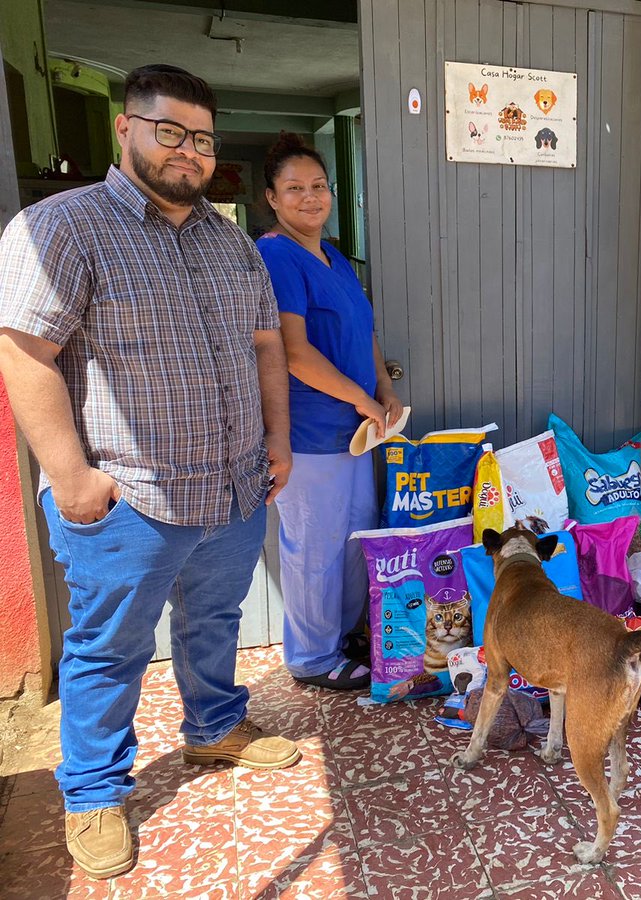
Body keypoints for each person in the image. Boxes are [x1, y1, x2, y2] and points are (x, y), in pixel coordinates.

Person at [0, 64, 300, 880]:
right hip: (127, 497)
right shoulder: (66, 227)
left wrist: (277, 439)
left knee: (216, 621)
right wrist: (70, 478)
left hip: (233, 488)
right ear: (126, 128)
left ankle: (212, 729)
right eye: (170, 131)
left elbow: (266, 345)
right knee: (110, 646)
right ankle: (94, 791)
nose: (189, 152)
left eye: (201, 138)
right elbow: (25, 352)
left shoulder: (230, 239)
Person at [256, 133, 403, 690]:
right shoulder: (275, 255)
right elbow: (293, 352)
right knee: (313, 546)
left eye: (318, 186)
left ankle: (340, 639)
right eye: (294, 189)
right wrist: (363, 398)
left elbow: (362, 330)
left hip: (355, 431)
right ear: (272, 197)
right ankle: (312, 657)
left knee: (353, 540)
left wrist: (383, 387)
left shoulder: (334, 255)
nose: (310, 197)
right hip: (311, 433)